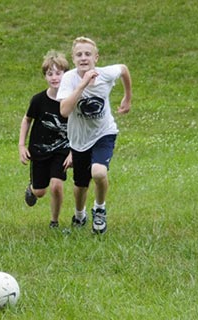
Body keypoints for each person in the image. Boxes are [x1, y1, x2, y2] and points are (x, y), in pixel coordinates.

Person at [56, 36, 132, 234]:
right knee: (80, 185)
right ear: (73, 59)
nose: (83, 58)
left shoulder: (106, 74)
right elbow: (64, 111)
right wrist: (82, 85)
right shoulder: (69, 79)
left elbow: (123, 69)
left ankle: (100, 209)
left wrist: (127, 97)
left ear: (96, 57)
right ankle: (79, 215)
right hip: (79, 139)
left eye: (88, 54)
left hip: (104, 132)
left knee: (98, 172)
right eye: (79, 54)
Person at [18, 50, 72, 229]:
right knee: (40, 191)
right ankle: (32, 189)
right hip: (39, 150)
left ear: (66, 74)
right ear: (45, 77)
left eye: (58, 73)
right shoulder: (38, 100)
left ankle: (54, 221)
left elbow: (80, 126)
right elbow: (27, 120)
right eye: (50, 74)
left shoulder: (71, 100)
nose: (54, 77)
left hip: (62, 150)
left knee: (57, 185)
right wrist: (21, 145)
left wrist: (73, 152)